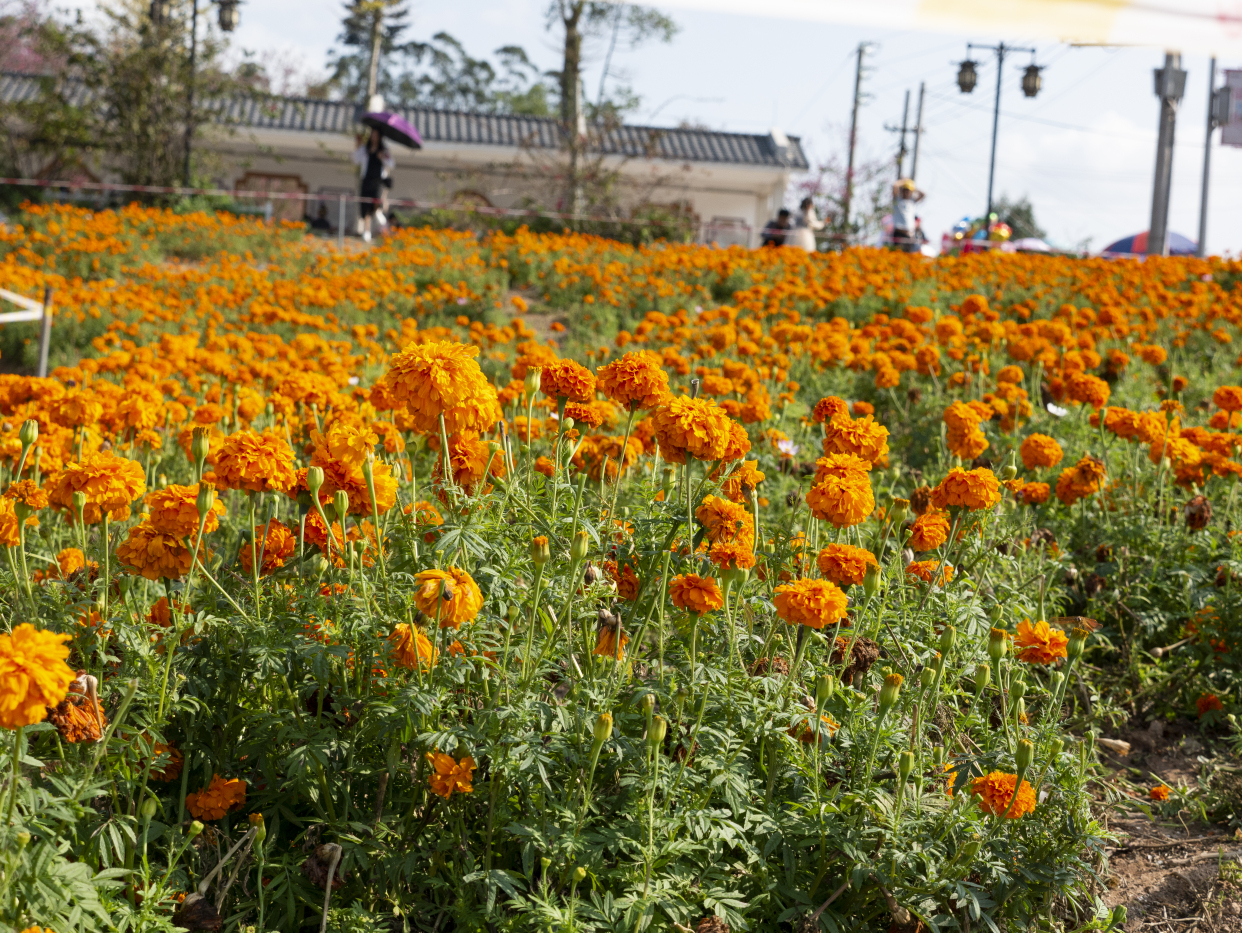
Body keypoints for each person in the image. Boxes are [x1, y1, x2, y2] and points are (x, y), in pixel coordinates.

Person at [351, 128, 394, 242]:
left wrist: (383, 157)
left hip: (378, 182)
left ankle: (382, 221)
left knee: (376, 205)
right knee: (366, 208)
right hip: (366, 181)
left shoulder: (384, 150)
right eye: (372, 135)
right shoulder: (365, 149)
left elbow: (391, 164)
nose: (373, 137)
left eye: (375, 135)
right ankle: (367, 232)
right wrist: (357, 145)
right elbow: (355, 159)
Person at [891, 179, 924, 252]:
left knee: (908, 256)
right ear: (902, 190)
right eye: (905, 190)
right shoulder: (897, 200)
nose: (906, 192)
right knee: (897, 255)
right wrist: (904, 181)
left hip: (909, 235)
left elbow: (923, 194)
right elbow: (894, 186)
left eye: (908, 190)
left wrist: (912, 185)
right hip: (899, 234)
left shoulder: (912, 202)